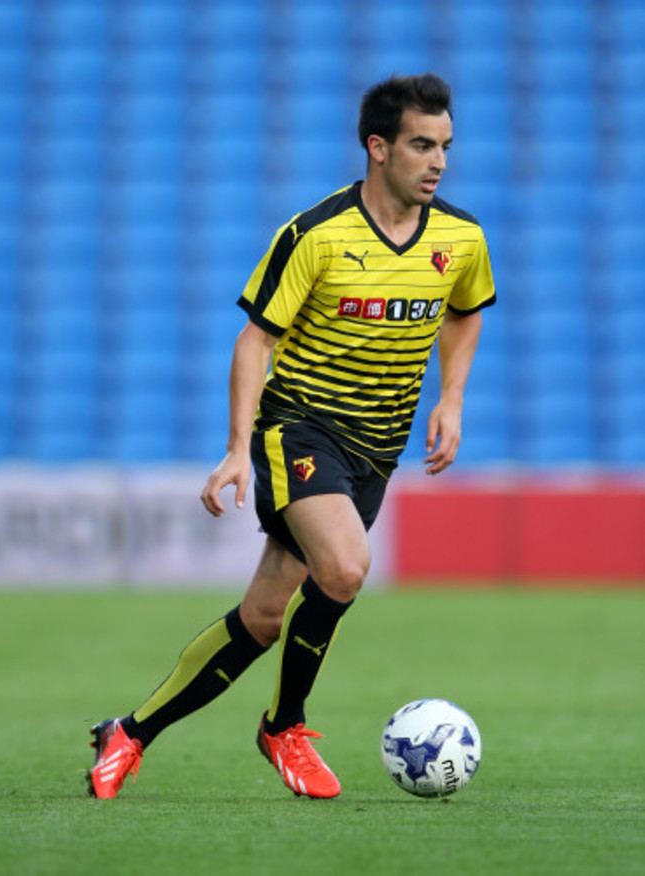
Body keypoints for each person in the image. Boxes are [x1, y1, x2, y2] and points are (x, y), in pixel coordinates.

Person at [85, 72, 495, 800]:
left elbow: (466, 313)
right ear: (378, 147)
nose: (438, 161)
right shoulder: (313, 234)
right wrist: (239, 447)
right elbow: (254, 342)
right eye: (421, 145)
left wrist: (452, 399)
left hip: (378, 446)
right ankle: (285, 726)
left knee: (265, 616)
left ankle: (130, 731)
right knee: (343, 568)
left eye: (446, 147)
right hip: (299, 427)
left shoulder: (461, 238)